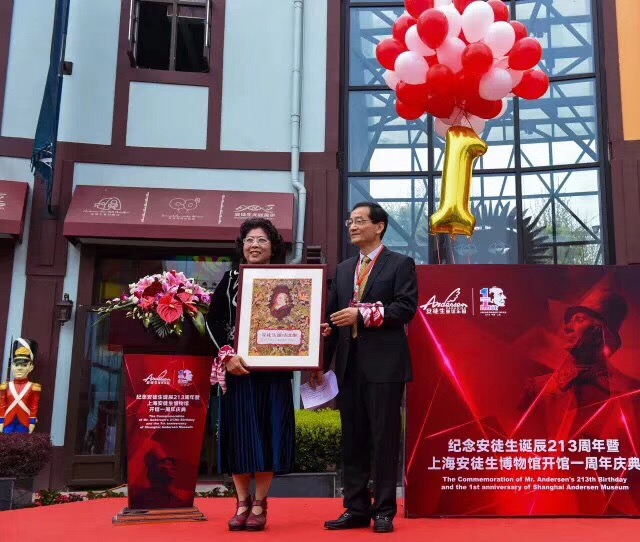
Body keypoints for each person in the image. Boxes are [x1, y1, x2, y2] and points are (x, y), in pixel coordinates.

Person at [310, 202, 418, 533]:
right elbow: (331, 320)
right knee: (353, 439)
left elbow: (405, 308)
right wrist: (320, 362)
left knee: (384, 438)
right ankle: (356, 507)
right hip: (349, 364)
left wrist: (362, 314)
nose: (353, 227)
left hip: (385, 366)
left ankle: (384, 510)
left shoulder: (400, 264)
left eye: (359, 221)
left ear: (379, 226)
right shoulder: (344, 269)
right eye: (350, 221)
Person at [206, 218, 294, 532]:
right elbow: (213, 322)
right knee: (238, 436)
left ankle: (260, 502)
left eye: (261, 240)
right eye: (249, 240)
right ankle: (242, 502)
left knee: (269, 434)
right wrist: (227, 355)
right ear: (242, 246)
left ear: (273, 247)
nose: (254, 245)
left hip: (274, 373)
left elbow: (300, 321)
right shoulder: (231, 279)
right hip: (238, 371)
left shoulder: (290, 279)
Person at [0, 339, 41, 434]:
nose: (19, 368)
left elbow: (34, 406)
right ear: (12, 366)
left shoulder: (33, 387)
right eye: (16, 365)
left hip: (24, 421)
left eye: (24, 365)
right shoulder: (5, 386)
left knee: (22, 441)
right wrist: (1, 421)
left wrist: (32, 422)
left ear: (31, 367)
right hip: (8, 421)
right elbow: (2, 404)